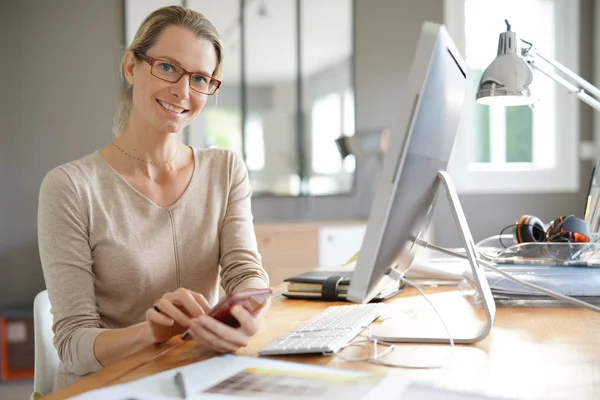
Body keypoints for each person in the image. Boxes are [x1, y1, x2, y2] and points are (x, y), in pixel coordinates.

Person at [37, 5, 270, 390]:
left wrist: (248, 311)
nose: (183, 91)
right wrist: (151, 332)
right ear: (131, 66)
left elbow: (245, 271)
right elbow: (73, 344)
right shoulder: (69, 187)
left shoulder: (226, 170)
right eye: (167, 67)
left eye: (200, 78)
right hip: (109, 387)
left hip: (197, 376)